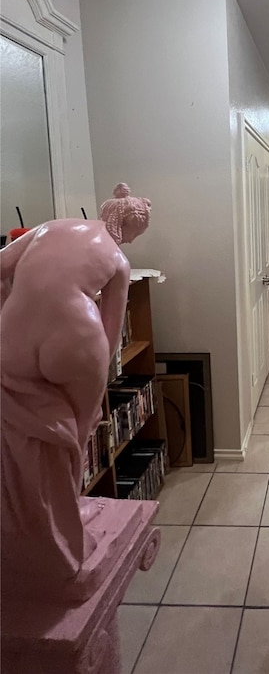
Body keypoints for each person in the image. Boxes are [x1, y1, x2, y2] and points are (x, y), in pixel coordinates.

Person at [0, 184, 150, 598]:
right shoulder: (118, 259)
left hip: (12, 334)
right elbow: (112, 324)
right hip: (76, 337)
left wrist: (8, 304)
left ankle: (23, 519)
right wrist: (97, 377)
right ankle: (66, 513)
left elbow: (0, 267)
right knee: (77, 429)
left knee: (15, 421)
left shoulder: (50, 227)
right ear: (130, 228)